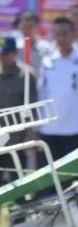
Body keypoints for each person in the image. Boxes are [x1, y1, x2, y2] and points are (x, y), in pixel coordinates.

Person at [37, 17, 78, 159]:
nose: (61, 38)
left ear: (73, 34)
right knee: (49, 172)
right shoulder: (48, 62)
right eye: (57, 34)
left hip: (76, 130)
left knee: (73, 172)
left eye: (65, 33)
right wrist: (37, 127)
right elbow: (42, 95)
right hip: (49, 130)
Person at [0, 37, 37, 182]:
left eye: (5, 54)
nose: (2, 58)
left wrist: (30, 133)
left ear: (14, 52)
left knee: (18, 181)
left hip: (17, 140)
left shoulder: (25, 75)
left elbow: (32, 107)